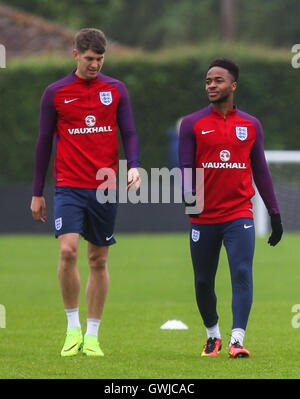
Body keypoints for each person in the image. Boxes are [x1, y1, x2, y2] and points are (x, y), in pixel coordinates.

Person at [30, 28, 141, 357]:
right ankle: (72, 327)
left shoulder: (116, 90)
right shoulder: (55, 92)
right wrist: (37, 192)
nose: (95, 65)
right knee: (68, 252)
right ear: (76, 55)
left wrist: (133, 164)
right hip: (69, 186)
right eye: (90, 59)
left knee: (98, 259)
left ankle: (92, 335)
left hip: (105, 187)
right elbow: (42, 144)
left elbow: (130, 132)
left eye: (100, 59)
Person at [179, 58, 283, 358]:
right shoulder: (192, 124)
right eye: (208, 80)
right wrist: (189, 194)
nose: (211, 85)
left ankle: (237, 339)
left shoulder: (250, 125)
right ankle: (213, 336)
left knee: (240, 271)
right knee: (203, 281)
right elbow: (185, 165)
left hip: (239, 214)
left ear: (233, 85)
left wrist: (274, 213)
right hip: (203, 216)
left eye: (218, 80)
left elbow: (260, 170)